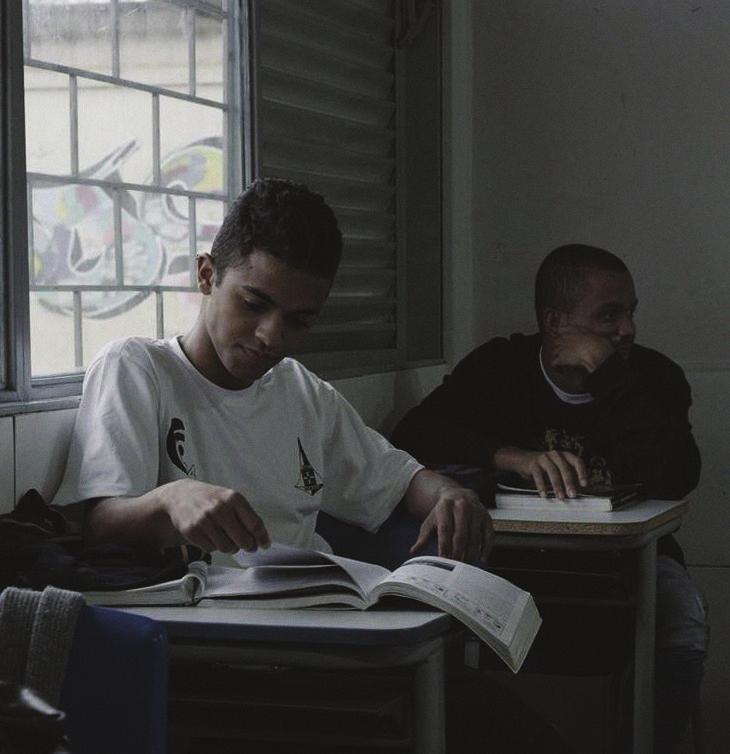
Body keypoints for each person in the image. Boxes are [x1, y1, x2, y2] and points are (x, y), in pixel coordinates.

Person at [52, 177, 492, 566]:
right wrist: (170, 499)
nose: (271, 337)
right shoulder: (138, 369)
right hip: (210, 632)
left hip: (314, 616)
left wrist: (450, 494)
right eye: (253, 304)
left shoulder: (303, 392)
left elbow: (399, 481)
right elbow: (99, 527)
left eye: (299, 320)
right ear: (206, 276)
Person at [391, 244, 709, 752]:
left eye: (630, 312)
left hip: (631, 566)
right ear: (555, 322)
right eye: (609, 315)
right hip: (517, 561)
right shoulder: (501, 367)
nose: (626, 329)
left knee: (682, 625)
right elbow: (413, 435)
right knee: (429, 611)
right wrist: (507, 455)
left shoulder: (652, 377)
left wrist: (609, 377)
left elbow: (677, 475)